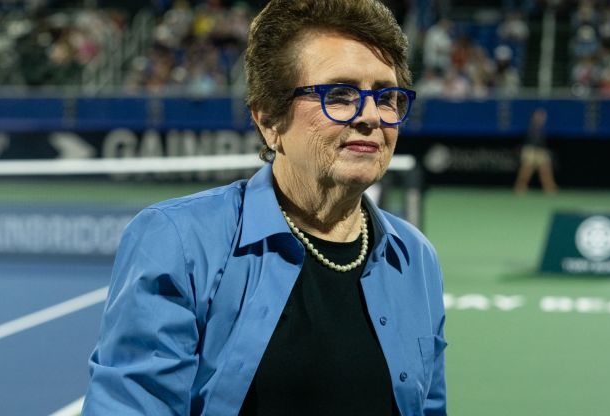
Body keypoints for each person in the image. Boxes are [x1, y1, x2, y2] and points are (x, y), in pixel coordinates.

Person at [82, 1, 447, 415]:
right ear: (269, 120)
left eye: (387, 96)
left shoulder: (415, 258)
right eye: (339, 95)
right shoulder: (179, 243)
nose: (370, 116)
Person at [514, 108, 558, 194]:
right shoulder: (531, 126)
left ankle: (550, 188)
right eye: (540, 116)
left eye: (543, 116)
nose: (542, 118)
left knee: (545, 170)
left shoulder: (542, 128)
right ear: (534, 116)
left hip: (540, 151)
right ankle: (520, 187)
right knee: (526, 170)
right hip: (530, 150)